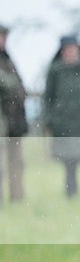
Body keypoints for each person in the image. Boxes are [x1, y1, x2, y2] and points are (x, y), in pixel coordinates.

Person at [43, 35, 80, 199]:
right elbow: (49, 98)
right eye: (67, 49)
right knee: (70, 164)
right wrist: (51, 120)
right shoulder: (56, 70)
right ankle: (71, 195)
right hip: (65, 126)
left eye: (73, 48)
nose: (70, 52)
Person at [0, 23, 28, 205]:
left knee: (16, 162)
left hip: (13, 121)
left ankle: (17, 197)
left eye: (4, 36)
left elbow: (18, 88)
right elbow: (9, 85)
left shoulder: (8, 60)